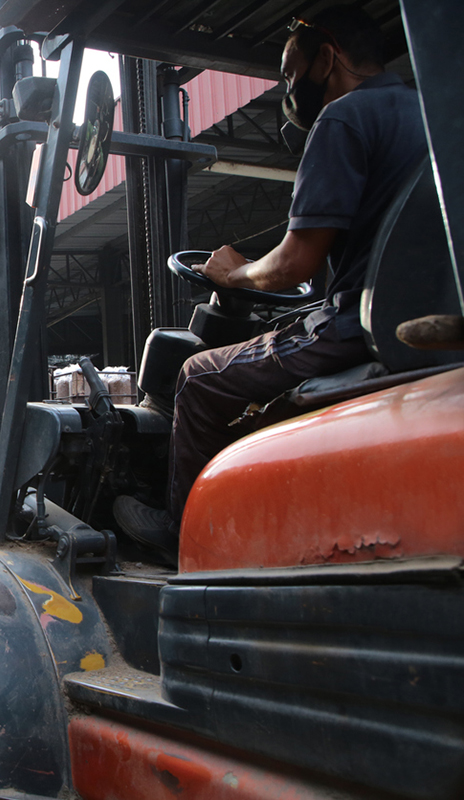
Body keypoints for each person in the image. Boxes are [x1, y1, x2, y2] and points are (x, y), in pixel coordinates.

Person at [114, 5, 427, 562]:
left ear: (328, 56)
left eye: (289, 72)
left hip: (355, 324)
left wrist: (232, 273)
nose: (289, 87)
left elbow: (294, 264)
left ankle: (180, 535)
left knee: (197, 376)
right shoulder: (427, 111)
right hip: (409, 323)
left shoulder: (344, 117)